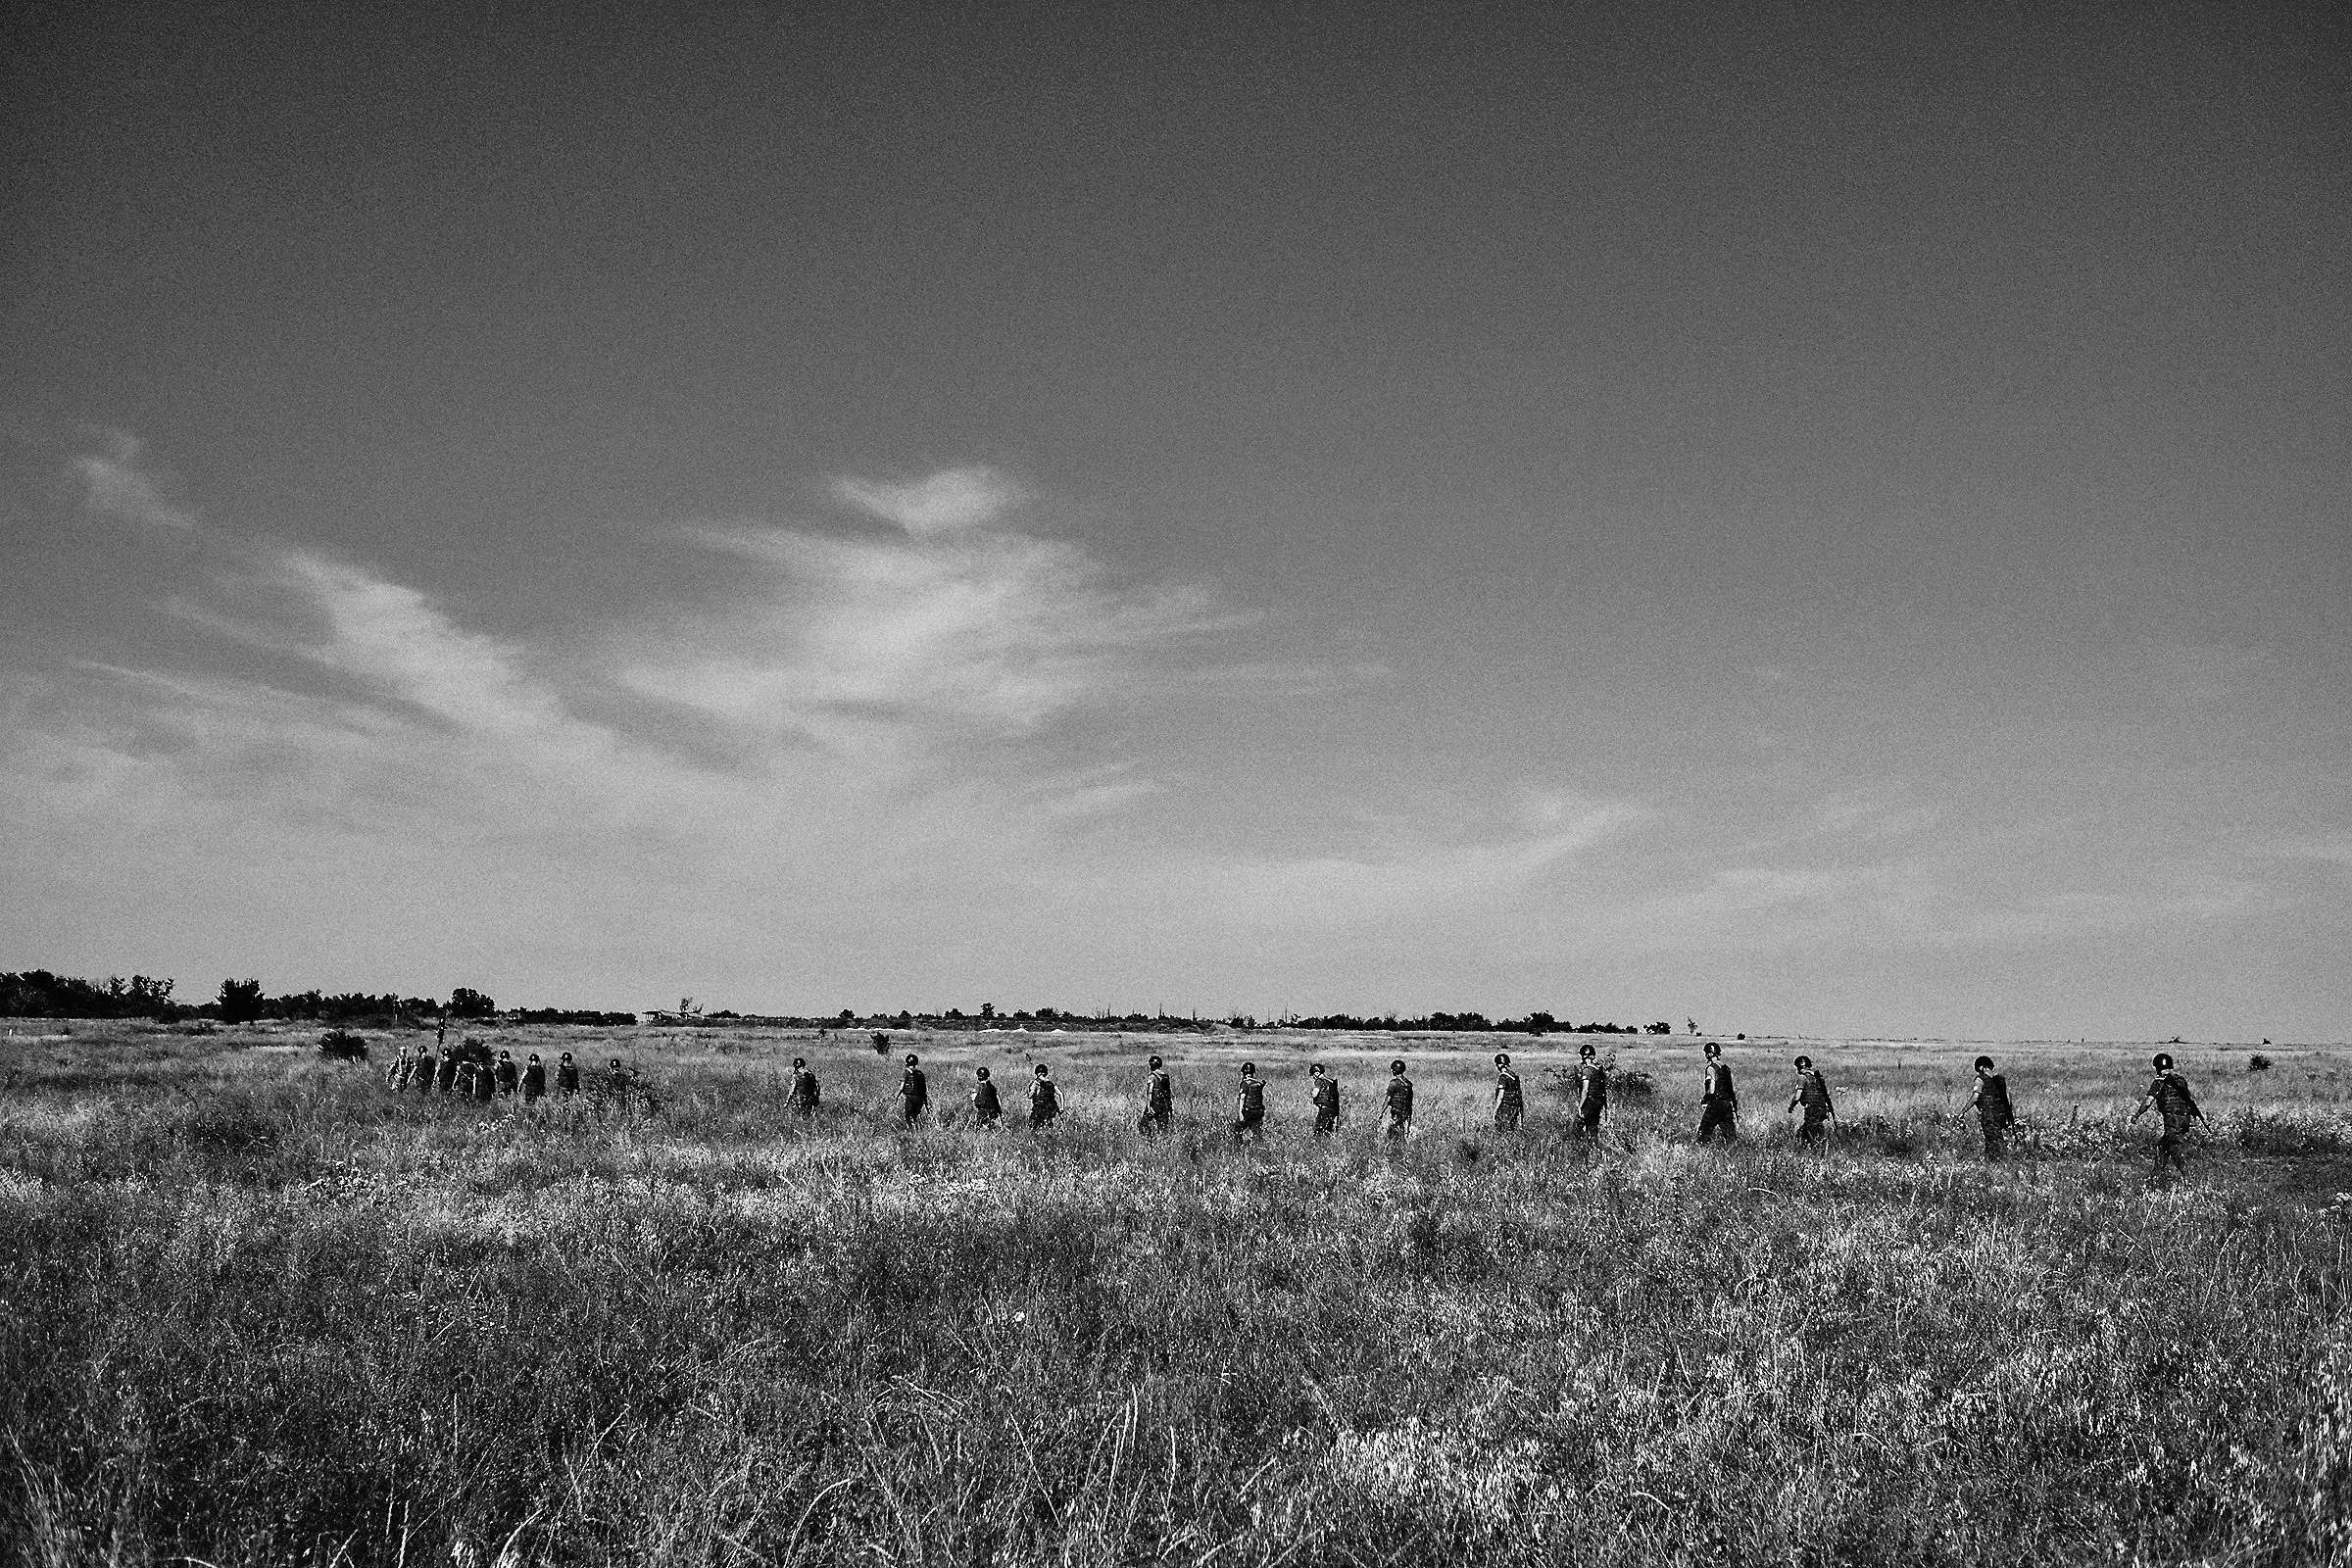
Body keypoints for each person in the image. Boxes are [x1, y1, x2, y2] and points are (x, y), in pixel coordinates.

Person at [2132, 1052, 2204, 1181]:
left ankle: (2188, 1177)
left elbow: (2148, 1102)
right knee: (2163, 1146)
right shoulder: (2181, 1081)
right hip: (2185, 1118)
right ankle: (2155, 1176)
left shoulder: (2159, 1082)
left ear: (2158, 1067)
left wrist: (2136, 1115)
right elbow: (2189, 1099)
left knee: (2174, 1149)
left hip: (2172, 1119)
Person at [1962, 1054, 2014, 1159]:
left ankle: (2003, 1161)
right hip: (2002, 1113)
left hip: (1989, 1114)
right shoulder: (2001, 1079)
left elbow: (1975, 1097)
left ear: (1981, 1067)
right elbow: (2007, 1098)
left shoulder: (1980, 1080)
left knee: (1994, 1140)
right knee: (1992, 1139)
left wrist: (1963, 1111)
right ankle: (1989, 1160)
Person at [1788, 1054, 1835, 1148]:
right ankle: (1802, 1152)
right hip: (1822, 1109)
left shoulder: (1802, 1077)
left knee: (1815, 1138)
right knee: (1802, 1135)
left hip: (1812, 1110)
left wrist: (1791, 1107)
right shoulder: (1818, 1078)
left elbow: (1797, 1097)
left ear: (1798, 1067)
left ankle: (1821, 1152)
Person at [1696, 1042, 1739, 1145]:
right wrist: (1734, 1107)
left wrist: (1704, 1099)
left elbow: (1711, 1090)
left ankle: (1702, 1151)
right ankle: (1734, 1152)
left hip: (1715, 1104)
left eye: (1706, 1053)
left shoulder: (1711, 1069)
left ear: (1710, 1054)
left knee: (1703, 1134)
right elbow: (1730, 1089)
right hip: (1727, 1104)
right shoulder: (1726, 1068)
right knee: (1731, 1137)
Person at [1573, 1044, 1608, 1141]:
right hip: (1598, 1102)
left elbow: (1585, 1090)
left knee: (1576, 1128)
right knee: (1592, 1129)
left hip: (1589, 1102)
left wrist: (1580, 1106)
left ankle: (1581, 1145)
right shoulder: (1598, 1070)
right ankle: (1593, 1146)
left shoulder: (1587, 1071)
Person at [1233, 1062, 1266, 1145]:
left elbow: (1242, 1098)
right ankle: (1258, 1147)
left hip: (1249, 1112)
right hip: (1259, 1111)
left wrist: (1241, 1113)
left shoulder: (1245, 1083)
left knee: (1238, 1129)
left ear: (1244, 1073)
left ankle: (1238, 1147)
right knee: (1257, 1132)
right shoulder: (1258, 1084)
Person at [1139, 1055, 1173, 1136]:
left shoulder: (1152, 1076)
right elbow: (1168, 1092)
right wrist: (1170, 1107)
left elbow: (1150, 1092)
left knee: (1144, 1123)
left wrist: (1149, 1106)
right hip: (1164, 1105)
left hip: (1154, 1104)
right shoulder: (1166, 1076)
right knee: (1163, 1129)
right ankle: (1162, 1140)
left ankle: (1149, 1138)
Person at [1492, 1053, 1523, 1133]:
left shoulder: (1503, 1077)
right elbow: (1519, 1095)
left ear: (1499, 1065)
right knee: (1512, 1130)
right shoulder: (1515, 1077)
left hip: (1505, 1108)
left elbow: (1500, 1096)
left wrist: (1495, 1111)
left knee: (1501, 1131)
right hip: (1515, 1107)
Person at [1383, 1060, 1413, 1141]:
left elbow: (1388, 1099)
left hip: (1396, 1113)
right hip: (1407, 1113)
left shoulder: (1393, 1083)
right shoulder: (1409, 1084)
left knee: (1392, 1135)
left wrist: (1381, 1113)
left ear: (1394, 1070)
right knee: (1404, 1133)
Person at [1309, 1063, 1342, 1137]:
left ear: (1317, 1073)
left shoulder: (1319, 1081)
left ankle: (1318, 1141)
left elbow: (1315, 1094)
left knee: (1319, 1129)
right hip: (1334, 1108)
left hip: (1324, 1108)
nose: (1313, 1077)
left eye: (1313, 1074)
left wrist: (1312, 1093)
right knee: (1329, 1129)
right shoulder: (1331, 1082)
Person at [1028, 1063, 1060, 1129]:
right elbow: (1060, 1094)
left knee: (1034, 1128)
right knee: (1048, 1127)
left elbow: (1030, 1096)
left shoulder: (1036, 1083)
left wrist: (1033, 1088)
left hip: (1038, 1110)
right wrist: (1062, 1107)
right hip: (1050, 1110)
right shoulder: (1050, 1084)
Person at [900, 1054, 928, 1126]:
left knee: (908, 1116)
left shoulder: (906, 1073)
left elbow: (901, 1087)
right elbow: (924, 1087)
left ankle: (911, 1130)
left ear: (906, 1063)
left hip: (910, 1097)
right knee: (915, 1116)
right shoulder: (920, 1073)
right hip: (920, 1097)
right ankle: (916, 1129)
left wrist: (896, 1097)